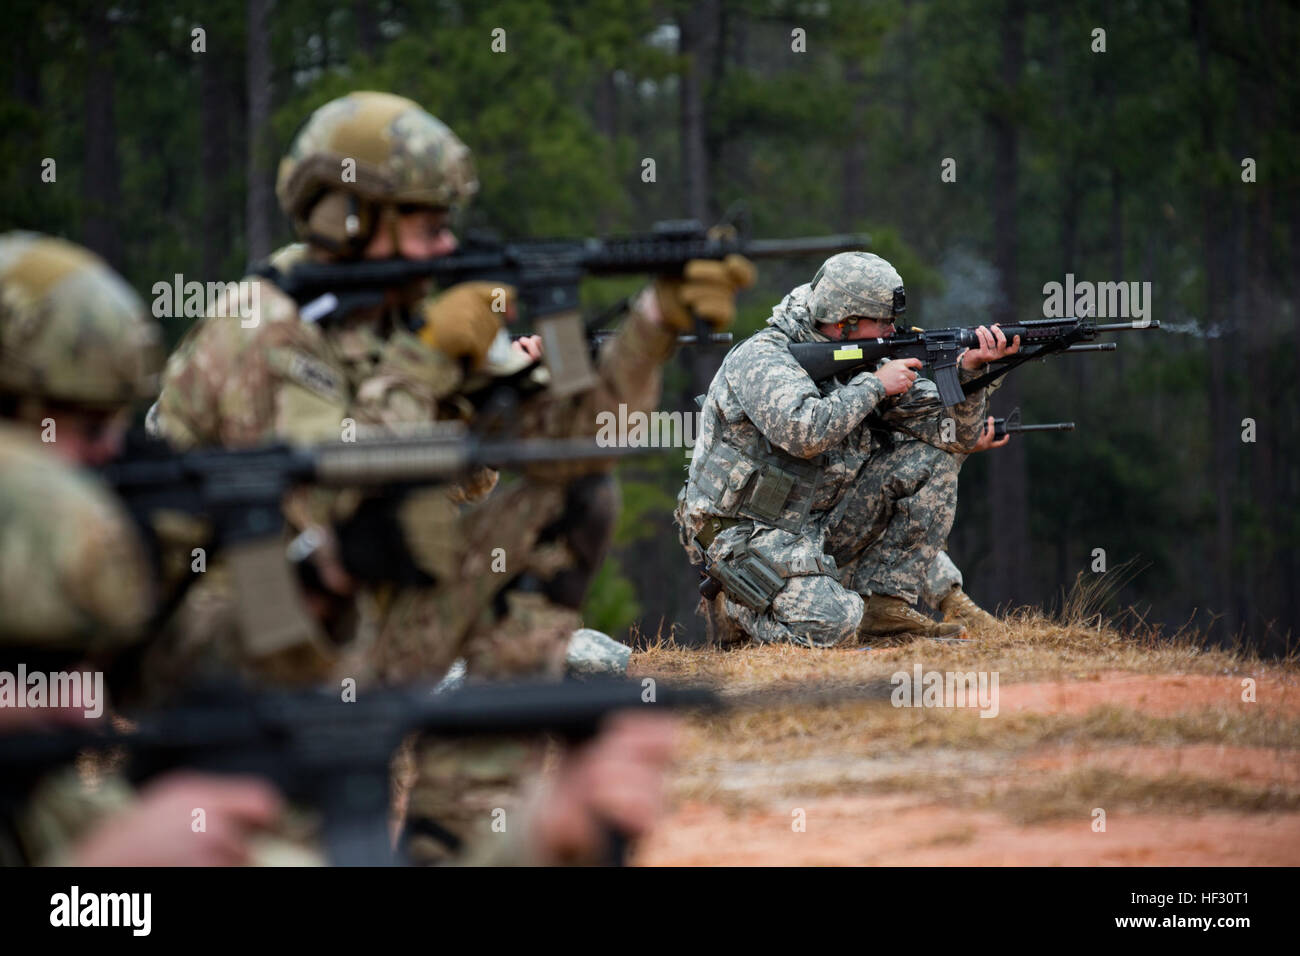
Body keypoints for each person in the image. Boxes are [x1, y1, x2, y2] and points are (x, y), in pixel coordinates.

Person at [148, 91, 723, 863]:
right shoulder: (266, 327)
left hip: (349, 617)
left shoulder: (396, 311)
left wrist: (650, 329)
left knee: (570, 502)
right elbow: (336, 505)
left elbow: (567, 451)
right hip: (247, 639)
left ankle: (456, 832)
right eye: (428, 226)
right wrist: (425, 360)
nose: (447, 246)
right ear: (348, 219)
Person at [676, 250, 1019, 648]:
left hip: (814, 523)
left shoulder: (866, 359)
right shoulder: (762, 359)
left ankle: (885, 607)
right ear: (845, 324)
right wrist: (875, 385)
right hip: (742, 531)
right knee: (835, 623)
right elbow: (804, 432)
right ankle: (736, 602)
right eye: (884, 323)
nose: (893, 332)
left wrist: (970, 372)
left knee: (931, 460)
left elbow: (952, 434)